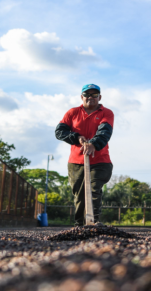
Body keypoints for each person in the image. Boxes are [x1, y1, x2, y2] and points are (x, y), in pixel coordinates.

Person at [55, 84, 114, 226]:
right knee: (79, 194)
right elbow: (60, 132)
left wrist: (93, 143)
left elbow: (105, 131)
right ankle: (80, 225)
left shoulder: (106, 113)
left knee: (93, 190)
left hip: (100, 161)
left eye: (94, 95)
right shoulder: (72, 113)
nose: (90, 97)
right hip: (76, 162)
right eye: (87, 94)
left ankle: (93, 222)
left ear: (99, 97)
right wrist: (77, 138)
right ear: (82, 97)